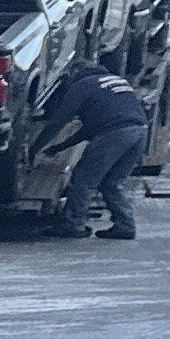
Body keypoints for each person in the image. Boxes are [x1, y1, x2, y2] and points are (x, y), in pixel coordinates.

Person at [33, 60, 151, 239]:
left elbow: (59, 121)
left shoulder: (82, 85)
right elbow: (90, 128)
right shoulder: (116, 81)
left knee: (83, 180)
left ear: (75, 73)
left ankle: (73, 224)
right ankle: (125, 225)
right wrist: (60, 147)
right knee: (112, 183)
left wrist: (35, 147)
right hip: (140, 132)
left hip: (115, 133)